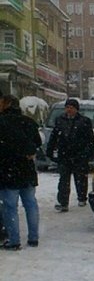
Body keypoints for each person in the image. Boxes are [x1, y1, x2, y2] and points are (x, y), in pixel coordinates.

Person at [0, 95, 42, 250]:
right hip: (27, 169)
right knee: (30, 204)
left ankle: (14, 240)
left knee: (10, 206)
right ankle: (33, 238)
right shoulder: (28, 122)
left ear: (7, 104)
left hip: (8, 169)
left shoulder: (2, 122)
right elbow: (38, 142)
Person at [46, 98, 94, 212]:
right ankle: (63, 202)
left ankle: (82, 197)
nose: (69, 110)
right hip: (64, 155)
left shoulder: (84, 121)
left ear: (76, 109)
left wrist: (87, 153)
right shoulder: (60, 120)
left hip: (79, 154)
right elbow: (54, 136)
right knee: (64, 179)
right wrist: (50, 150)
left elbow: (90, 140)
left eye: (71, 108)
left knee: (80, 178)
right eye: (67, 107)